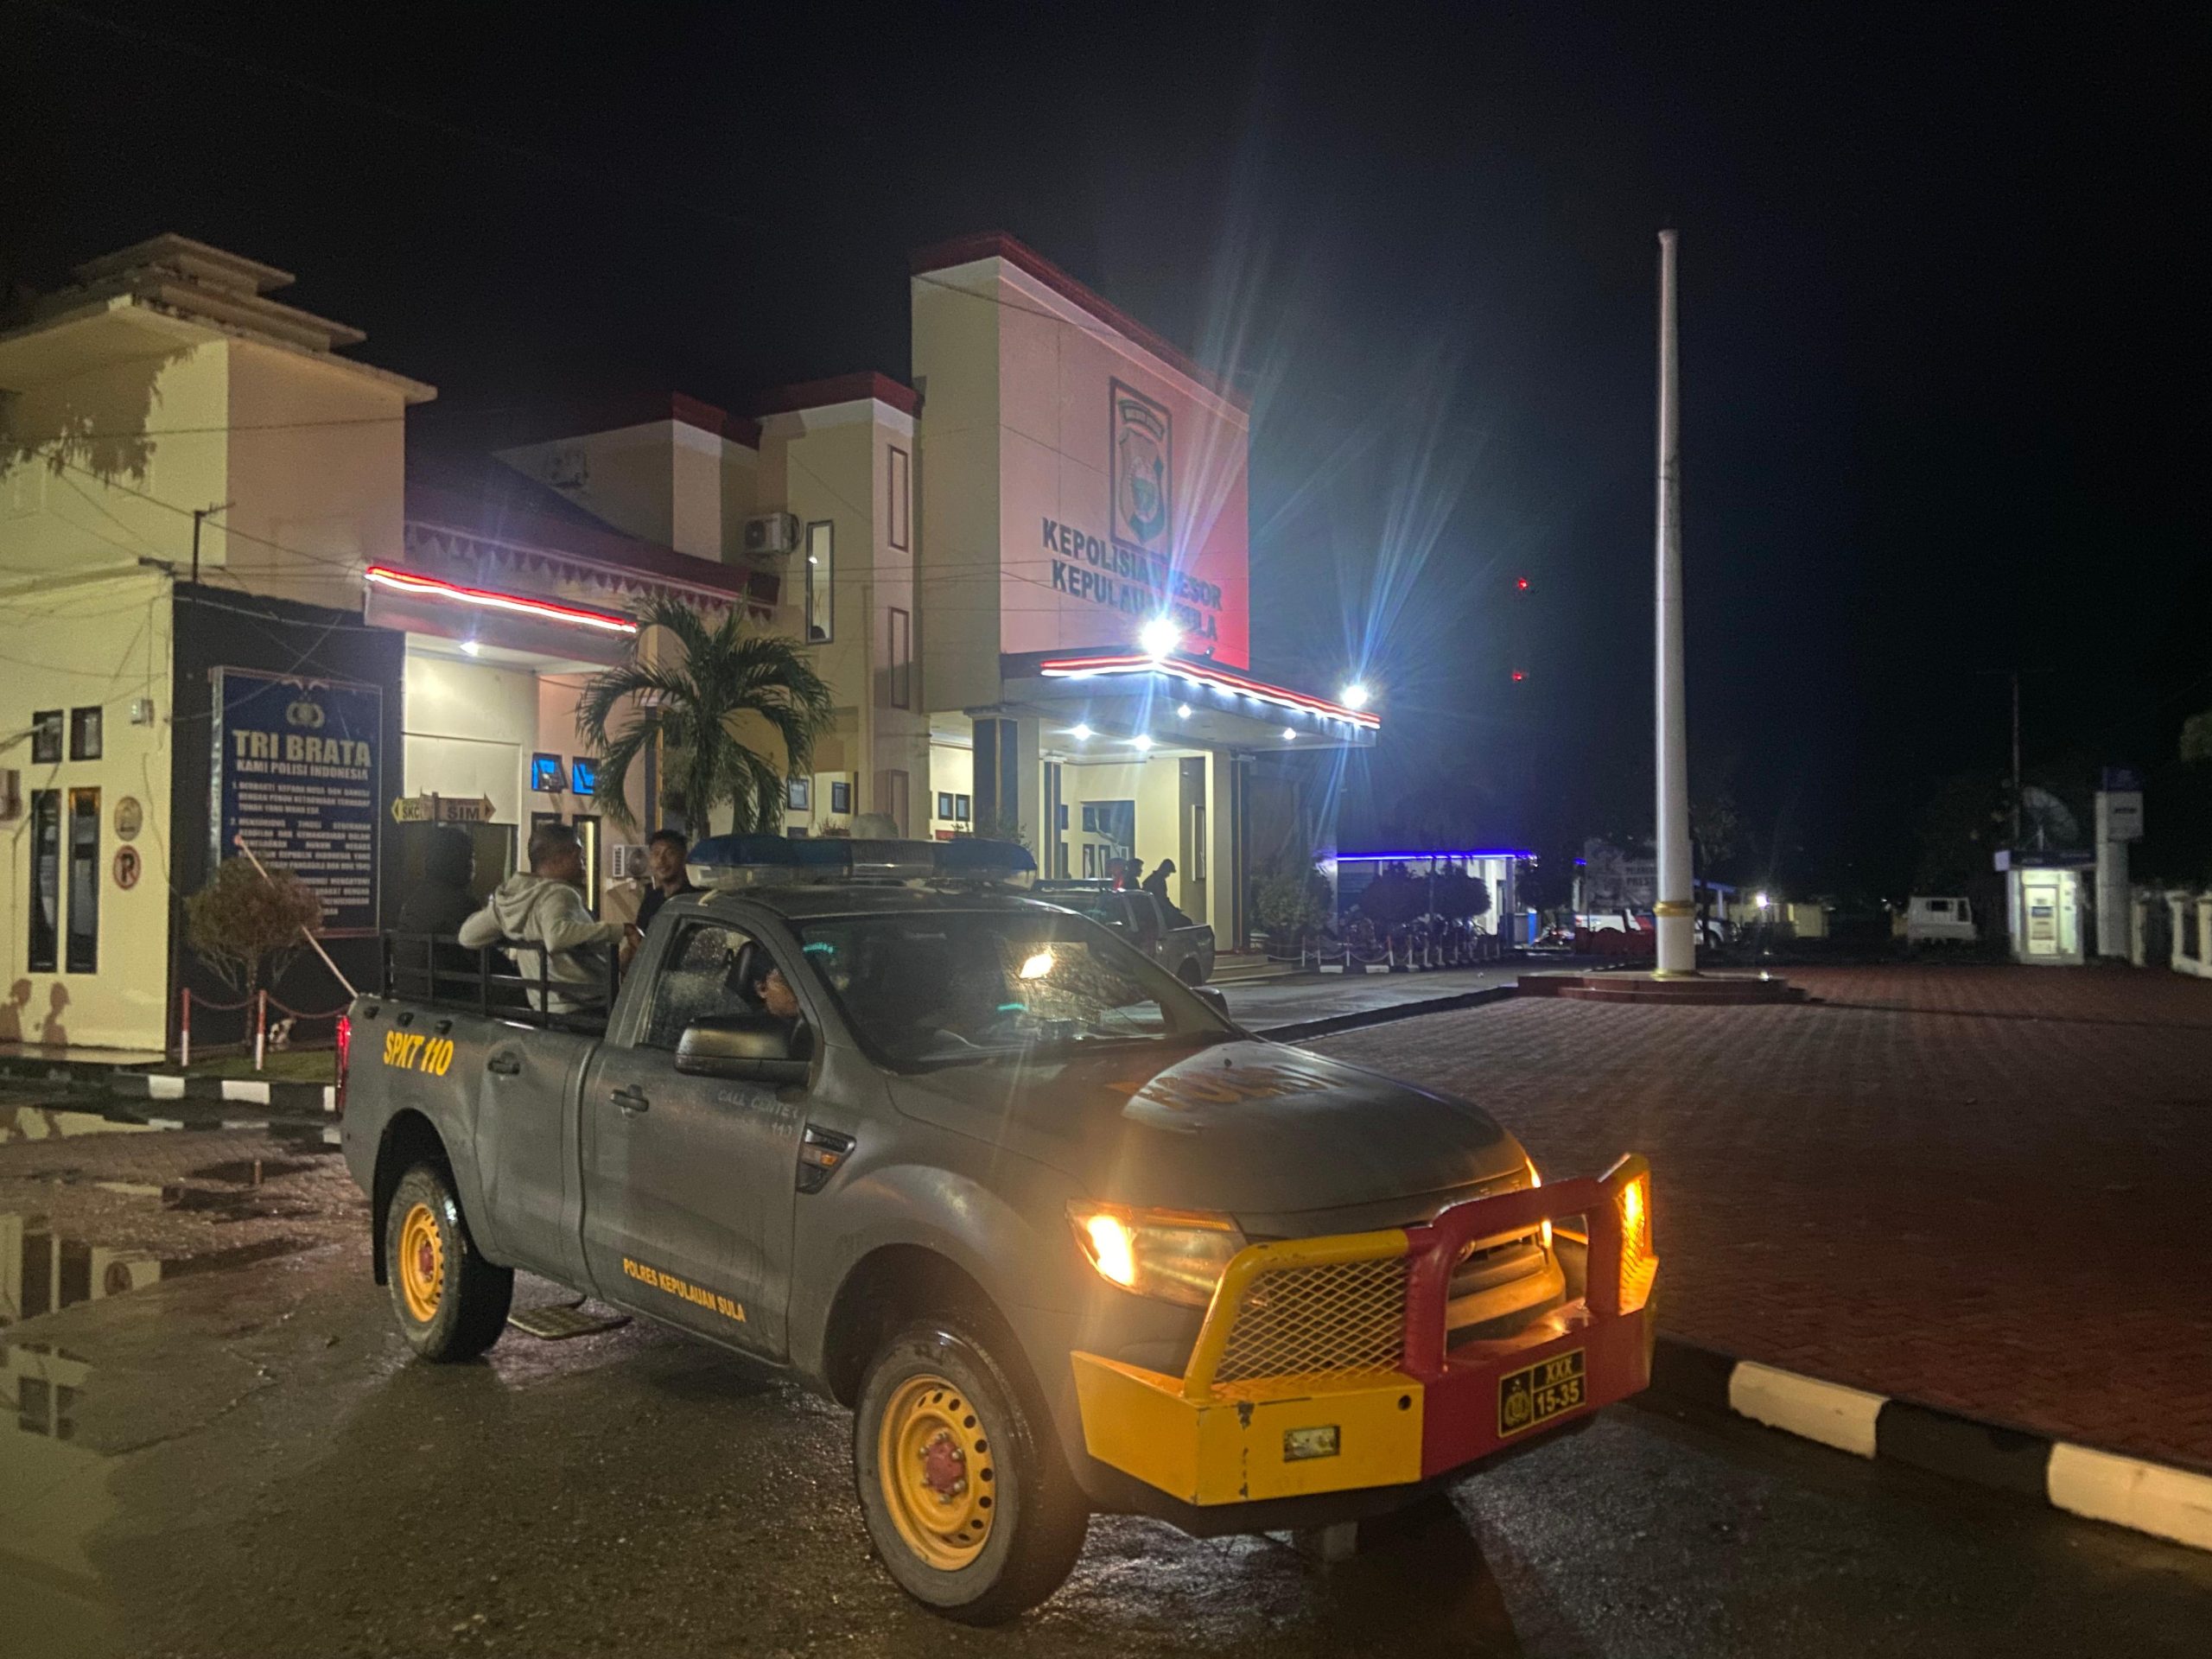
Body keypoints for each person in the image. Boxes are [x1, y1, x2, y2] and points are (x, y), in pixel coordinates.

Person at [459, 823, 637, 1013]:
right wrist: (622, 929)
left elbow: (468, 937)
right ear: (563, 857)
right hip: (587, 1006)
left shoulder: (512, 900)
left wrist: (510, 930)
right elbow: (557, 936)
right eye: (579, 857)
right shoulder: (560, 893)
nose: (583, 866)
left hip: (544, 1007)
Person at [396, 827, 478, 937]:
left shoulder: (414, 901)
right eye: (471, 857)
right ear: (457, 861)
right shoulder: (464, 906)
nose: (474, 864)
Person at [634, 829, 696, 933]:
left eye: (669, 853)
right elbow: (641, 938)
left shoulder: (695, 898)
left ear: (684, 857)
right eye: (656, 854)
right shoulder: (651, 900)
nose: (661, 860)